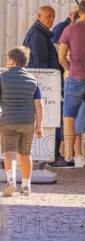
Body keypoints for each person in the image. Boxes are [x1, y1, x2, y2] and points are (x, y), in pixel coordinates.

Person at [55, 0, 85, 167]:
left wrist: (70, 69)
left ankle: (69, 156)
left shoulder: (69, 29)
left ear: (79, 13)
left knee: (69, 119)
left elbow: (61, 56)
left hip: (75, 78)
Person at [0, 46, 43, 197]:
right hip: (27, 122)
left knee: (9, 153)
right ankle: (26, 186)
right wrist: (39, 126)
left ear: (12, 60)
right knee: (25, 154)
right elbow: (39, 105)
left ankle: (11, 180)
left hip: (7, 121)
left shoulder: (2, 78)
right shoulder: (33, 80)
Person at [23, 5, 59, 70]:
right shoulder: (37, 35)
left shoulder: (40, 33)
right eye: (49, 16)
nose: (52, 20)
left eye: (53, 17)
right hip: (43, 78)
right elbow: (41, 66)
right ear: (39, 16)